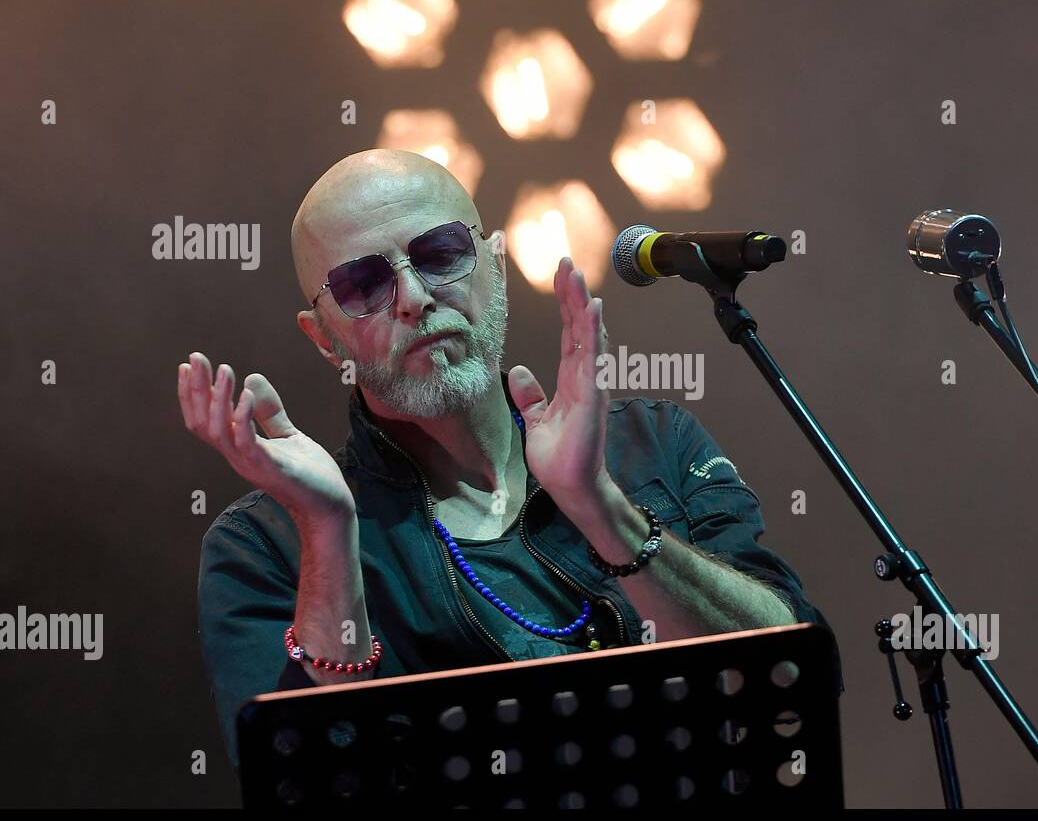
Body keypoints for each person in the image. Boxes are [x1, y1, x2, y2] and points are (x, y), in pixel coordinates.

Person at [179, 149, 842, 769]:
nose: (414, 297)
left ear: (495, 267)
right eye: (362, 283)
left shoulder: (653, 440)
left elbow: (789, 676)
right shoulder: (266, 542)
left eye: (440, 253)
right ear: (325, 338)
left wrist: (599, 506)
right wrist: (327, 533)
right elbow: (313, 777)